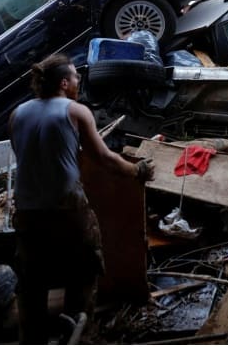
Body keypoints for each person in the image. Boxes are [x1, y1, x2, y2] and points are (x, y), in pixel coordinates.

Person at [10, 54, 153, 345]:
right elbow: (103, 158)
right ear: (64, 83)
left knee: (32, 283)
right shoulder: (76, 111)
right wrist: (137, 170)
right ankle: (78, 335)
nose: (78, 81)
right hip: (66, 210)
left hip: (26, 211)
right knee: (82, 274)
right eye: (75, 77)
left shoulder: (17, 114)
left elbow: (28, 156)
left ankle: (32, 339)